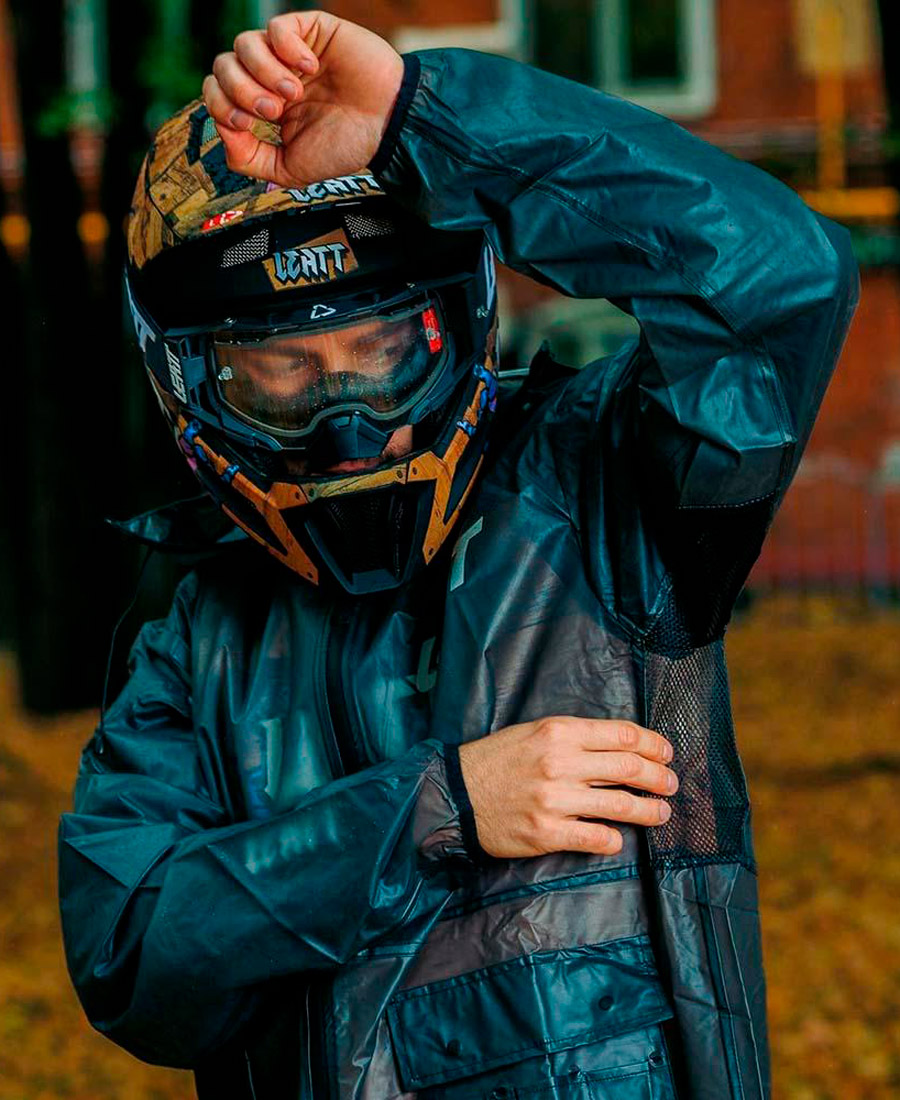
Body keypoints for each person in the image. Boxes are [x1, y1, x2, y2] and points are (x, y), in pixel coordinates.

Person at [58, 10, 859, 1100]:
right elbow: (133, 955)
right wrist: (437, 810)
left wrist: (418, 121)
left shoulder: (610, 493)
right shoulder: (197, 630)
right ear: (200, 384)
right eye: (284, 373)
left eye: (384, 352)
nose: (350, 420)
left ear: (452, 327)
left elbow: (778, 284)